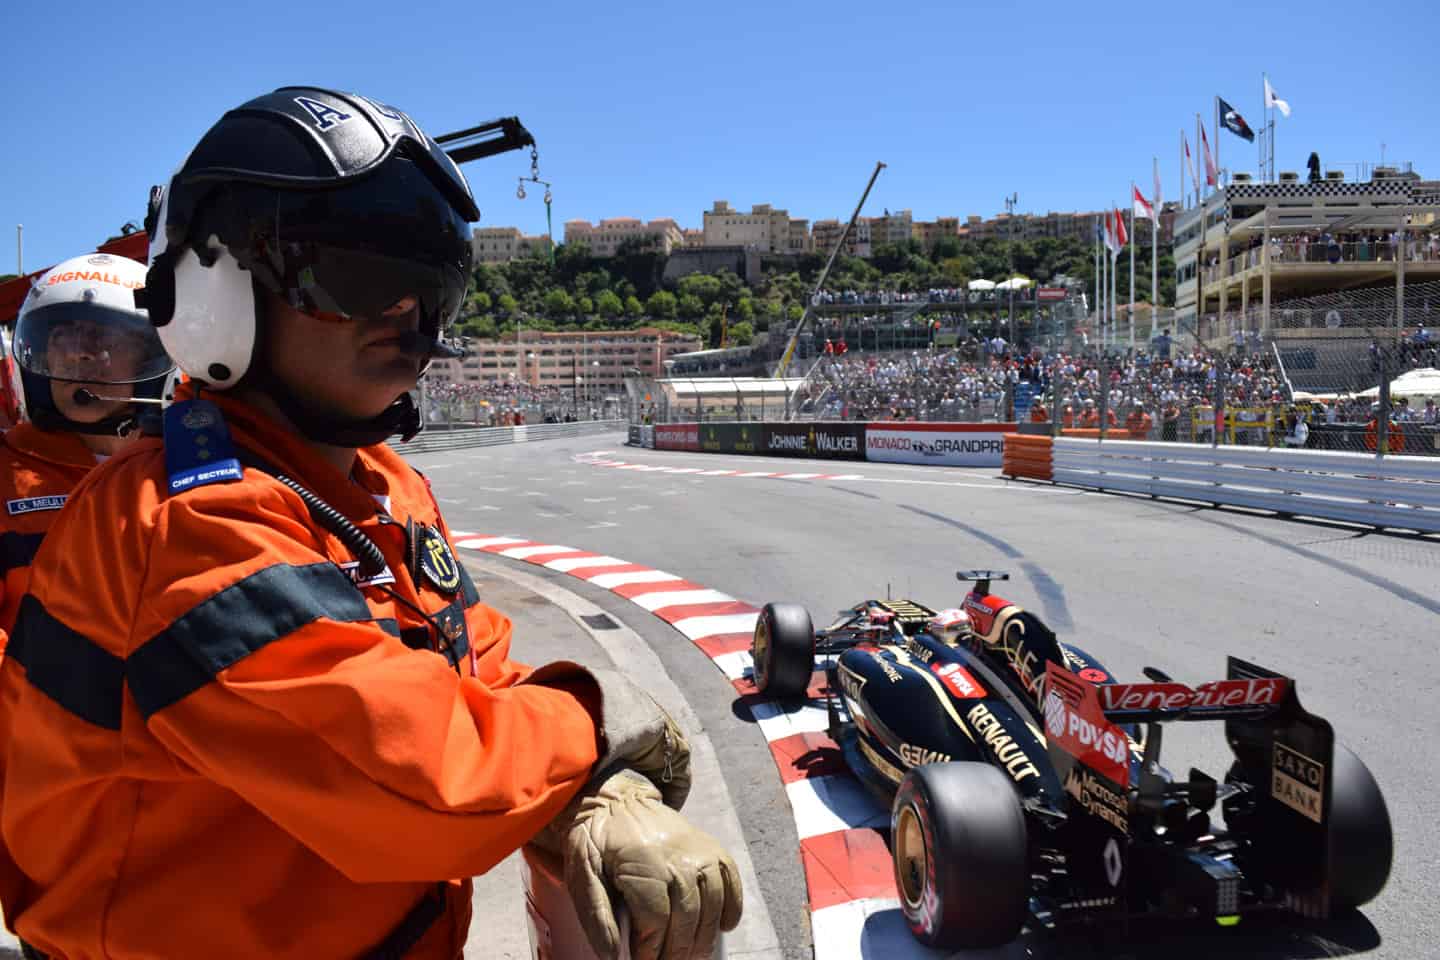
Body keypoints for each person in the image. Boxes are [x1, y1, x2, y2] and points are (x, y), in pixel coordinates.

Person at [0, 88, 740, 960]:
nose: (406, 317)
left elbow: (477, 665)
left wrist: (603, 788)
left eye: (432, 289)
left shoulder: (384, 485)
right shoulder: (180, 522)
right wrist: (597, 723)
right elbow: (424, 781)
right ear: (213, 290)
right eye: (359, 277)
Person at [0, 253, 175, 644]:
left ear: (149, 357)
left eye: (107, 335)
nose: (80, 352)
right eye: (62, 335)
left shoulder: (193, 468)